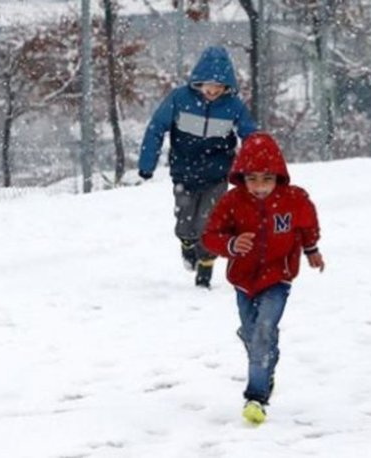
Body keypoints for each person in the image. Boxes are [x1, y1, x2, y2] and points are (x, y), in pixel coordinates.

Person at [202, 132, 325, 424]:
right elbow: (210, 235)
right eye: (253, 179)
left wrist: (312, 249)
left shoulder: (294, 199)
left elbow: (307, 224)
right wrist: (231, 244)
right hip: (244, 280)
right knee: (251, 332)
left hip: (277, 277)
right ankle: (266, 359)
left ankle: (256, 397)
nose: (259, 187)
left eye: (267, 179)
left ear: (279, 177)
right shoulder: (232, 201)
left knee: (262, 331)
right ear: (242, 177)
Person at [138, 46, 257, 288]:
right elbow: (156, 128)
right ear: (198, 82)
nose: (213, 91)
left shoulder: (233, 106)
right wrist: (147, 163)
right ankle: (187, 244)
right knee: (185, 221)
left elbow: (252, 137)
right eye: (208, 85)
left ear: (228, 86)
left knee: (209, 222)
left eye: (219, 86)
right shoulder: (179, 99)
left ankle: (206, 266)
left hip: (217, 175)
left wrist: (256, 167)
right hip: (184, 171)